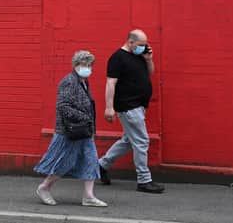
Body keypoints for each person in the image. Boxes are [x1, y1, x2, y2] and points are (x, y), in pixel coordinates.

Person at [34, 50, 107, 207]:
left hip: (84, 131)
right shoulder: (69, 82)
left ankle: (88, 196)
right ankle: (44, 187)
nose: (87, 68)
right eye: (84, 64)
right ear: (75, 65)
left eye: (89, 65)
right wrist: (85, 118)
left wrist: (90, 126)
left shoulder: (83, 82)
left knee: (91, 160)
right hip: (70, 131)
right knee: (63, 162)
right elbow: (63, 106)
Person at [98, 29, 165, 193]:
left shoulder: (139, 56)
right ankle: (144, 180)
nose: (144, 48)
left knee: (128, 141)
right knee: (142, 141)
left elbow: (150, 73)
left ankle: (101, 165)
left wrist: (148, 60)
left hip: (139, 106)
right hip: (128, 106)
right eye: (141, 45)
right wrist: (109, 107)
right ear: (131, 42)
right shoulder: (117, 58)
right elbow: (110, 83)